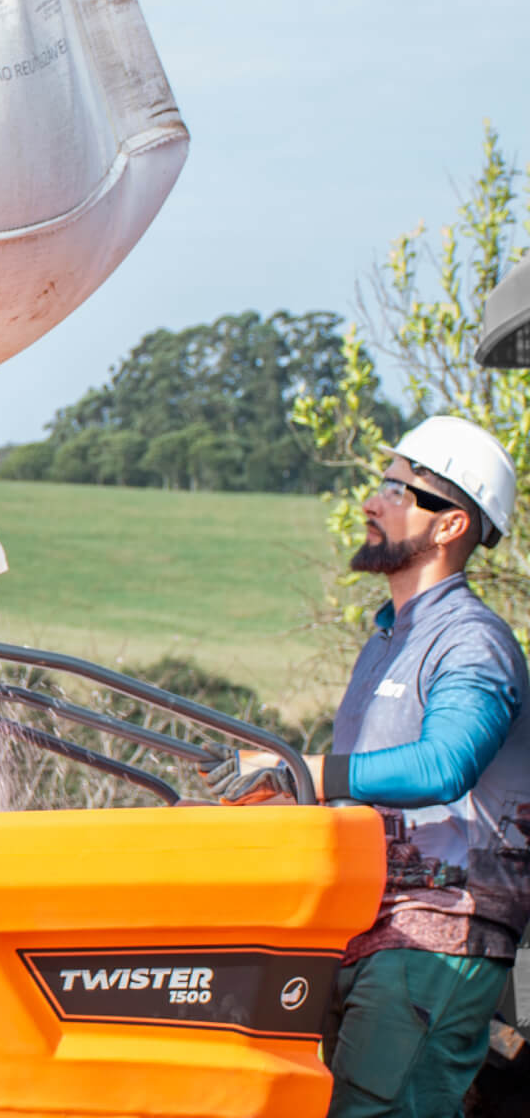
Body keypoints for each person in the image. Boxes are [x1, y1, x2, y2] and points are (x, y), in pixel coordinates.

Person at [202, 415, 529, 1117]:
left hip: (434, 942)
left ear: (449, 526)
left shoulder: (473, 644)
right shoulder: (387, 639)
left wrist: (308, 773)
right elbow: (365, 792)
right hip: (364, 934)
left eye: (398, 489)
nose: (372, 502)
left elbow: (445, 765)